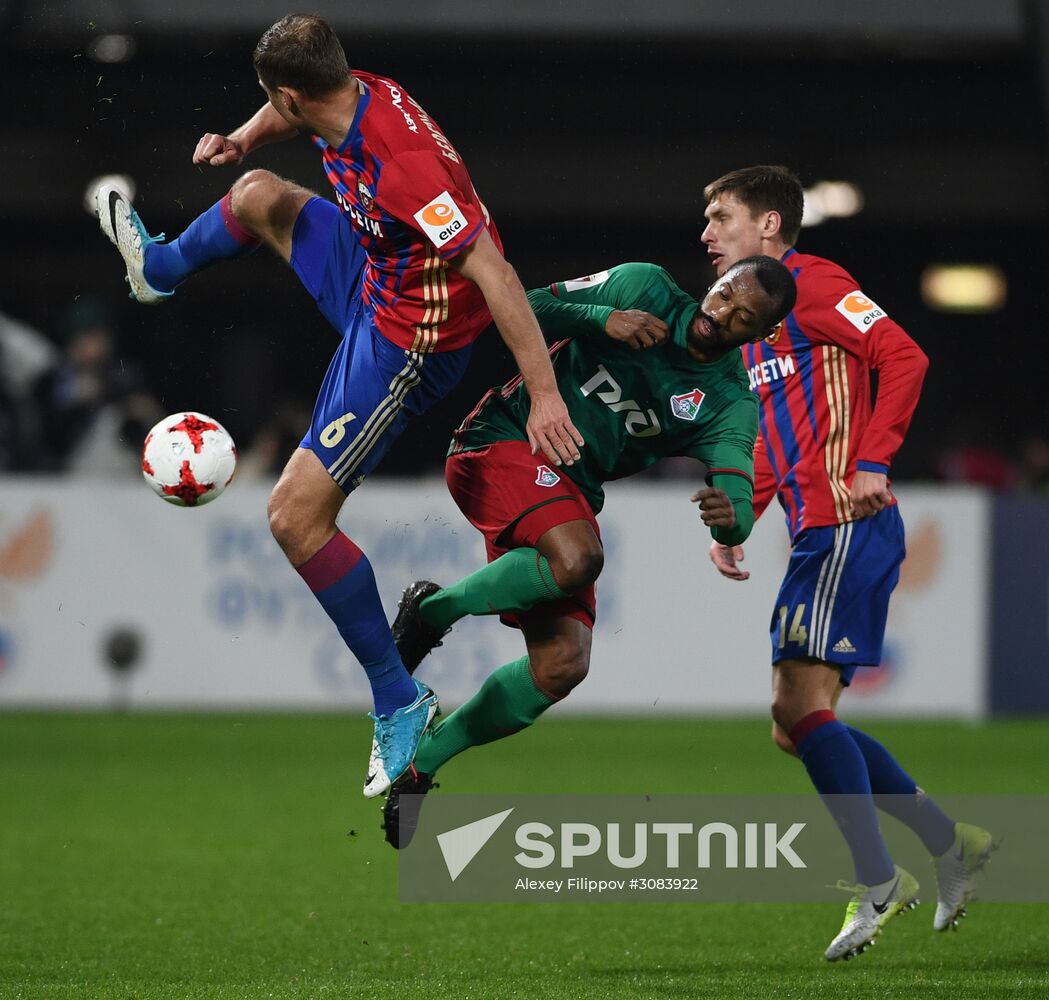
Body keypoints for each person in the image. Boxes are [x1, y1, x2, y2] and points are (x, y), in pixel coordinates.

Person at [94, 14, 582, 798]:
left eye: (270, 107)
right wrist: (244, 138)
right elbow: (284, 118)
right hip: (374, 279)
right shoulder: (358, 92)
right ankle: (158, 269)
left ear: (291, 94)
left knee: (293, 518)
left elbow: (493, 273)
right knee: (255, 193)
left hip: (407, 346)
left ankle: (399, 699)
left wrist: (546, 396)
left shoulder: (406, 168)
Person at [382, 254, 798, 847]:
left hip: (567, 490)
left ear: (764, 334)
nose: (723, 312)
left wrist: (732, 523)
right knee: (578, 559)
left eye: (744, 316)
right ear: (716, 282)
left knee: (562, 665)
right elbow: (515, 301)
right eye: (726, 293)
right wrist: (600, 319)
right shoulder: (644, 285)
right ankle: (432, 612)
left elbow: (734, 487)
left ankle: (420, 767)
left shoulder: (730, 399)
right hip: (502, 438)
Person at [701, 165, 994, 960]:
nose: (706, 233)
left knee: (796, 710)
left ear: (768, 226)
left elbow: (904, 357)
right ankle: (947, 842)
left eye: (720, 216)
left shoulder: (815, 283)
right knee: (793, 727)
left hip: (847, 521)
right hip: (816, 529)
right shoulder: (752, 322)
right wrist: (742, 515)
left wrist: (873, 459)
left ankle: (877, 880)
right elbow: (774, 434)